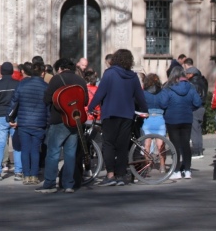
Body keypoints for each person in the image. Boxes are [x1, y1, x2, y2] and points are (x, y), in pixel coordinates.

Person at [88, 49, 147, 187]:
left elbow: (100, 92)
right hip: (127, 115)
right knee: (122, 146)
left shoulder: (109, 73)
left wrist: (91, 106)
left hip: (110, 113)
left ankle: (110, 175)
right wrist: (145, 110)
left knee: (109, 144)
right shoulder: (133, 76)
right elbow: (140, 95)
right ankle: (121, 175)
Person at [37, 58, 88, 193]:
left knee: (53, 152)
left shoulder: (56, 79)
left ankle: (50, 184)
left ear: (59, 68)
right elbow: (85, 101)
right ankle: (68, 185)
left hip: (59, 120)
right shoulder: (81, 80)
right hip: (75, 121)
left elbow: (47, 99)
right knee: (70, 154)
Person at [7, 62, 48, 185]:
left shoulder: (22, 84)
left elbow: (14, 102)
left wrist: (10, 118)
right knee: (35, 149)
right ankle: (34, 176)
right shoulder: (46, 86)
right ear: (42, 73)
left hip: (24, 122)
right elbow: (48, 106)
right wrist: (48, 121)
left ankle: (26, 176)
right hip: (39, 122)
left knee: (25, 149)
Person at [160, 66, 202, 179]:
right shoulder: (191, 87)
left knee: (175, 145)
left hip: (172, 119)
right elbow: (198, 102)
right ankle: (187, 170)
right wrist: (189, 108)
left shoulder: (168, 88)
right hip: (187, 118)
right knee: (185, 144)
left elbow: (163, 104)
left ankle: (177, 170)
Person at [0, 62, 21, 181]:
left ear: (1, 72)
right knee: (17, 145)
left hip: (1, 116)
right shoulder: (18, 84)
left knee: (0, 145)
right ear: (12, 72)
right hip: (15, 117)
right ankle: (18, 172)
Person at [182, 58, 208, 158]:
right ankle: (199, 149)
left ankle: (197, 151)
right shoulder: (203, 81)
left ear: (191, 74)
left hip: (195, 108)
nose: (186, 76)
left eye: (187, 74)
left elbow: (192, 97)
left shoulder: (191, 84)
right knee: (198, 130)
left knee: (195, 131)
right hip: (202, 107)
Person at [141, 74, 167, 173]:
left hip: (148, 119)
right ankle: (162, 166)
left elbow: (140, 104)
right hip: (160, 119)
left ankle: (147, 166)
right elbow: (165, 104)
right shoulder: (163, 92)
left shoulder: (144, 93)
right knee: (161, 145)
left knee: (147, 144)